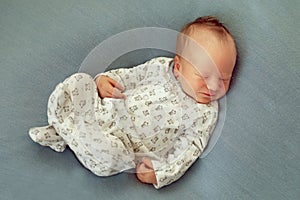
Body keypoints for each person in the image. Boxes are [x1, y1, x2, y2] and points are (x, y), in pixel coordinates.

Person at [29, 16, 237, 189]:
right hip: (105, 109)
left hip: (123, 145)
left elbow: (189, 148)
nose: (213, 86)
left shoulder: (205, 113)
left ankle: (68, 132)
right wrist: (105, 81)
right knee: (79, 82)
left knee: (112, 158)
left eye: (224, 79)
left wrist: (162, 172)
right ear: (178, 68)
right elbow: (131, 76)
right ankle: (70, 130)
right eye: (204, 75)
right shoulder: (160, 68)